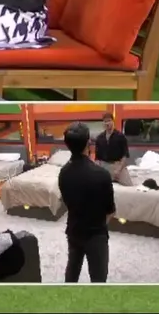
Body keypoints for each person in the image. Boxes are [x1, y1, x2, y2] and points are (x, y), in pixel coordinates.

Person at [58, 121, 114, 283]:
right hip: (96, 235)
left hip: (74, 230)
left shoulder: (63, 173)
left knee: (72, 271)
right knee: (98, 278)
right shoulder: (102, 174)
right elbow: (110, 211)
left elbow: (68, 203)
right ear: (88, 143)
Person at [94, 113, 133, 186]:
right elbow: (97, 158)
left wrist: (119, 169)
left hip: (117, 164)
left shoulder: (120, 136)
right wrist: (98, 170)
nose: (107, 123)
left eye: (109, 121)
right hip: (104, 164)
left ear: (113, 121)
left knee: (129, 184)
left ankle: (114, 177)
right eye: (105, 121)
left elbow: (125, 155)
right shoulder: (99, 138)